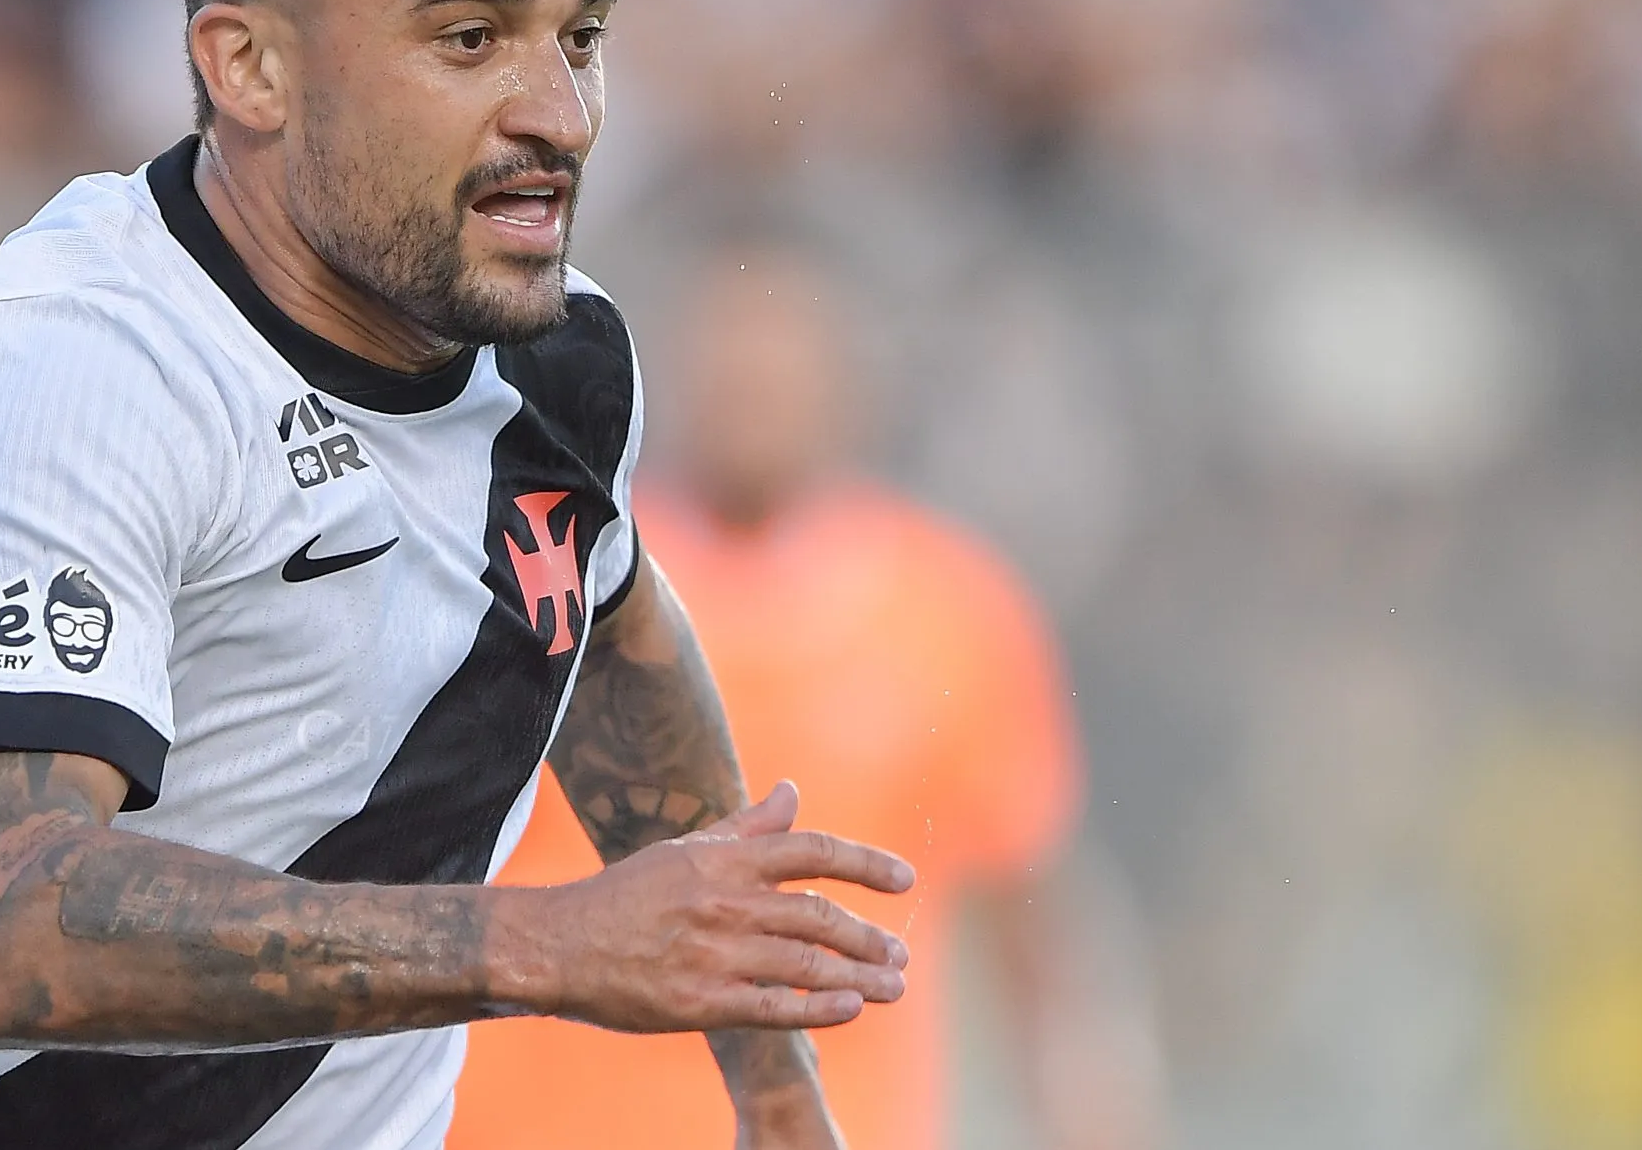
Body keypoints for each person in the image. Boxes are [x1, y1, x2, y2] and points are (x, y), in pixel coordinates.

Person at [0, 0, 917, 1150]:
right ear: (250, 67)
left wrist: (778, 1099)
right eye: (470, 37)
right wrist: (543, 940)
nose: (562, 112)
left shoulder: (559, 362)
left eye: (581, 36)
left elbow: (608, 627)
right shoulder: (80, 367)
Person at [453, 246, 1161, 1150]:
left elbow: (1038, 932)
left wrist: (1094, 1113)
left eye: (784, 353)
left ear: (850, 376)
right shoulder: (546, 575)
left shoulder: (951, 610)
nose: (755, 382)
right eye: (731, 349)